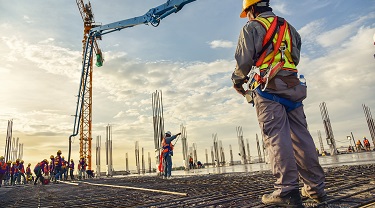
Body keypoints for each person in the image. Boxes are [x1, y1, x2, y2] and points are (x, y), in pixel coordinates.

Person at [232, 0, 326, 206]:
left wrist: (237, 81)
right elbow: (295, 57)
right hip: (293, 87)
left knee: (276, 137)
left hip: (268, 88)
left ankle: (286, 190)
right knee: (302, 138)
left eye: (247, 12)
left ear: (252, 9)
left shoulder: (252, 27)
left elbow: (243, 61)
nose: (247, 16)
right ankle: (316, 188)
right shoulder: (289, 28)